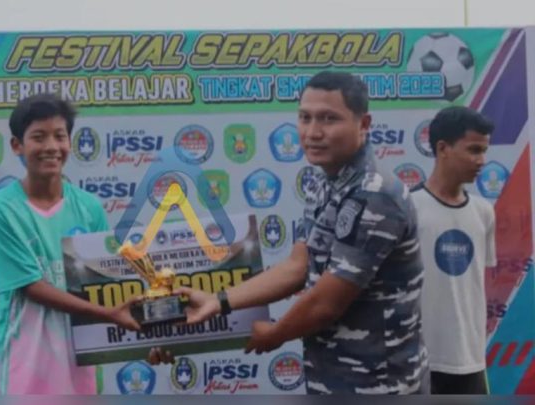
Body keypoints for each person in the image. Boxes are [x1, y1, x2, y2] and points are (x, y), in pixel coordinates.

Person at [150, 71, 428, 394]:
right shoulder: (324, 182)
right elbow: (297, 266)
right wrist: (217, 301)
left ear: (363, 124)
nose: (313, 132)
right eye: (305, 118)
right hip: (333, 379)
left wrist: (274, 333)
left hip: (380, 385)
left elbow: (326, 304)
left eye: (329, 119)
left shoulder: (375, 194)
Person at [0, 94, 140, 394]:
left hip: (80, 365)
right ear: (17, 145)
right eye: (38, 137)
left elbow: (104, 284)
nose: (51, 147)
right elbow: (31, 286)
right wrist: (109, 315)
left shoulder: (89, 208)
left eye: (60, 136)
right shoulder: (1, 208)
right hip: (24, 366)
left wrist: (152, 329)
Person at [411, 106, 496, 394]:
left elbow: (474, 285)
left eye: (484, 151)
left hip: (470, 361)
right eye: (473, 150)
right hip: (418, 362)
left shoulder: (484, 212)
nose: (481, 160)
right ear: (443, 148)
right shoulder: (407, 209)